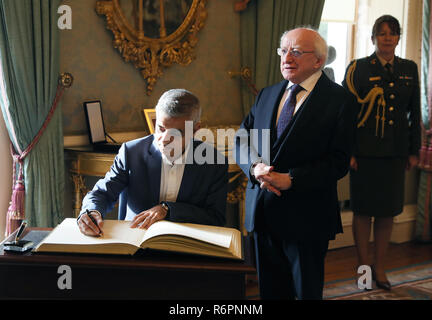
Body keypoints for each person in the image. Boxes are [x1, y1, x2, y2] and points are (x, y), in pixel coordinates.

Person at [235, 27, 355, 299]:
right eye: (284, 50)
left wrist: (292, 179)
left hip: (307, 218)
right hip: (263, 214)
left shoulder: (340, 101)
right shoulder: (266, 94)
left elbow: (339, 161)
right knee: (271, 293)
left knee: (305, 294)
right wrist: (255, 168)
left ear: (318, 61)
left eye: (297, 52)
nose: (287, 57)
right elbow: (241, 140)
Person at [78, 89, 228, 236]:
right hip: (134, 243)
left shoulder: (215, 162)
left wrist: (168, 210)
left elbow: (215, 217)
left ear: (196, 130)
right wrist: (90, 211)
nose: (164, 140)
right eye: (161, 128)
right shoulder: (131, 152)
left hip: (186, 248)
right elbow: (102, 193)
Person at [342, 15, 420, 290]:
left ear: (398, 38)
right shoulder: (358, 69)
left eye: (392, 33)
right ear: (373, 38)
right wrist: (348, 151)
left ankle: (381, 268)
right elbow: (347, 114)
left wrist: (414, 151)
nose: (387, 37)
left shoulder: (409, 68)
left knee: (388, 213)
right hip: (364, 153)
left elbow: (414, 113)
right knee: (363, 213)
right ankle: (364, 271)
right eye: (382, 33)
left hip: (395, 154)